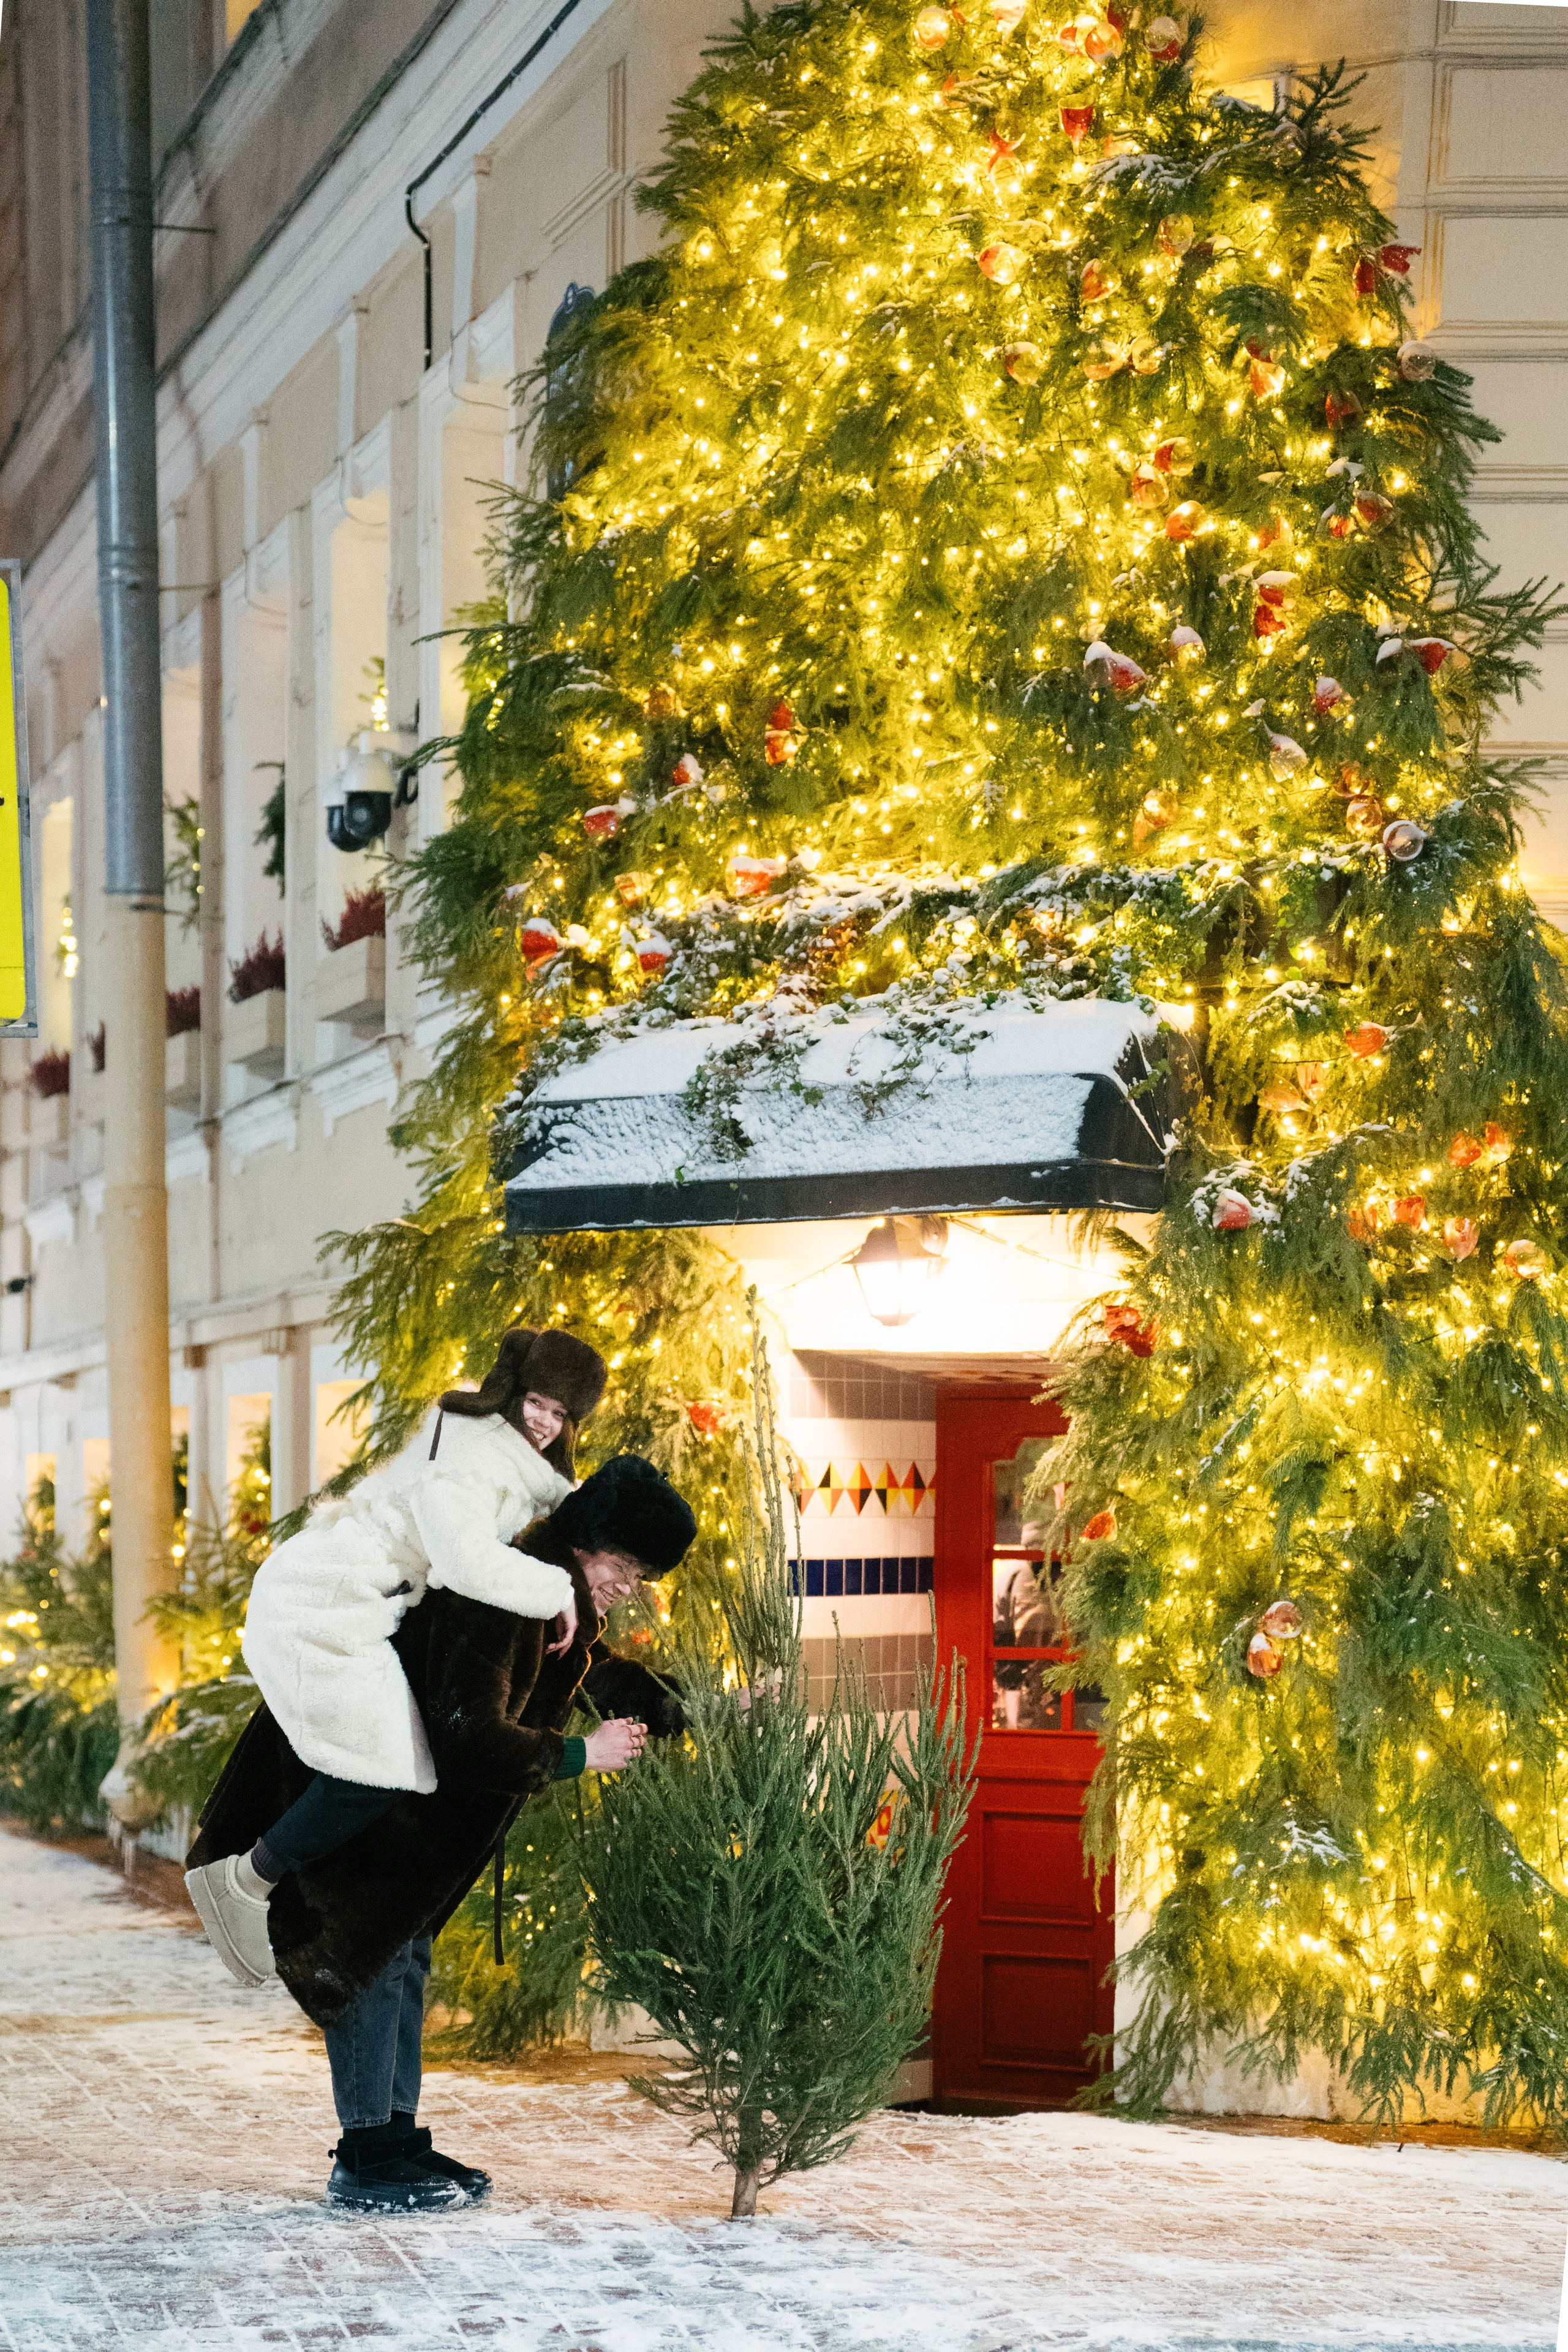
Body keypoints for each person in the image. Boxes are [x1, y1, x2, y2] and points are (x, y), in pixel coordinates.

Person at [184, 1451, 696, 2211]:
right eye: (624, 1566)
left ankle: (393, 2139)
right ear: (586, 1543)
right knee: (367, 1959)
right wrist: (582, 1755)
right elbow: (467, 1734)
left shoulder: (550, 1592)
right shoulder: (506, 1589)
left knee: (404, 1959)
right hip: (373, 1805)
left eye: (640, 1575)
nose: (629, 1587)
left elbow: (591, 1671)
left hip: (414, 1822)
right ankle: (366, 2157)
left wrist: (694, 1709)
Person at [186, 1327, 608, 1987]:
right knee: (378, 1771)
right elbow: (464, 1561)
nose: (546, 1422)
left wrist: (583, 1576)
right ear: (511, 1392)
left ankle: (273, 1889)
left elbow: (548, 1516)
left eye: (561, 1413)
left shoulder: (508, 1463)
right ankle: (246, 1881)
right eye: (538, 1402)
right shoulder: (470, 1461)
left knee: (402, 1767)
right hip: (320, 1606)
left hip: (355, 1607)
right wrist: (559, 1588)